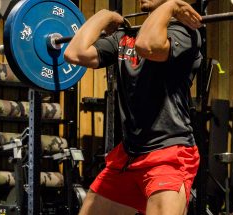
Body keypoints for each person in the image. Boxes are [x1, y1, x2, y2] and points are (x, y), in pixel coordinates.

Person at [64, 0, 203, 214]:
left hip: (168, 155)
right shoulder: (125, 37)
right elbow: (74, 53)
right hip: (129, 156)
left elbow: (148, 45)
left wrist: (171, 6)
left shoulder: (185, 34)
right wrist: (105, 16)